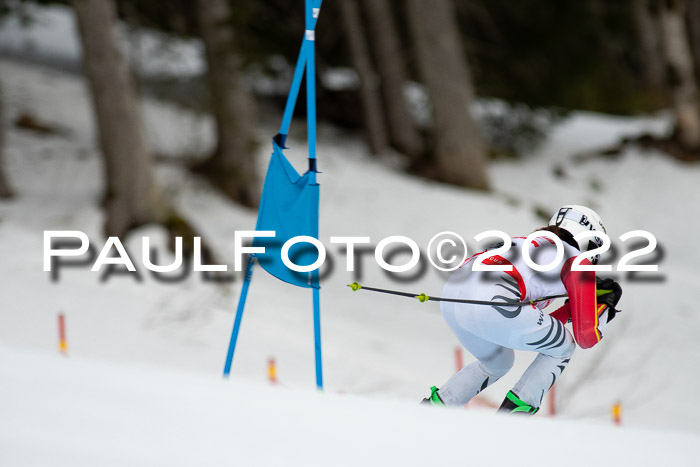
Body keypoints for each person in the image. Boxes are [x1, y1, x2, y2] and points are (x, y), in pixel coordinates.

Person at [422, 205, 623, 414]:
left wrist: (570, 311)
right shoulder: (576, 261)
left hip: (452, 298)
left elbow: (528, 324)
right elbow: (587, 336)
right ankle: (510, 422)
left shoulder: (522, 242)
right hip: (492, 300)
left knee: (498, 363)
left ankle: (432, 411)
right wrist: (604, 306)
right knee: (564, 348)